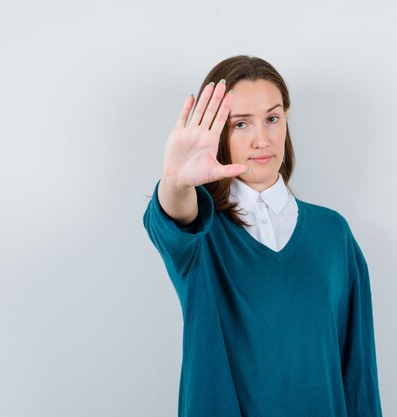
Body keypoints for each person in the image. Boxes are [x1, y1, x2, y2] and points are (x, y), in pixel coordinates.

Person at [143, 55, 382, 417]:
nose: (261, 140)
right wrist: (176, 182)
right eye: (240, 125)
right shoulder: (202, 236)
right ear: (219, 133)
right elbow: (172, 219)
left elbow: (358, 373)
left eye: (272, 119)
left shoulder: (333, 234)